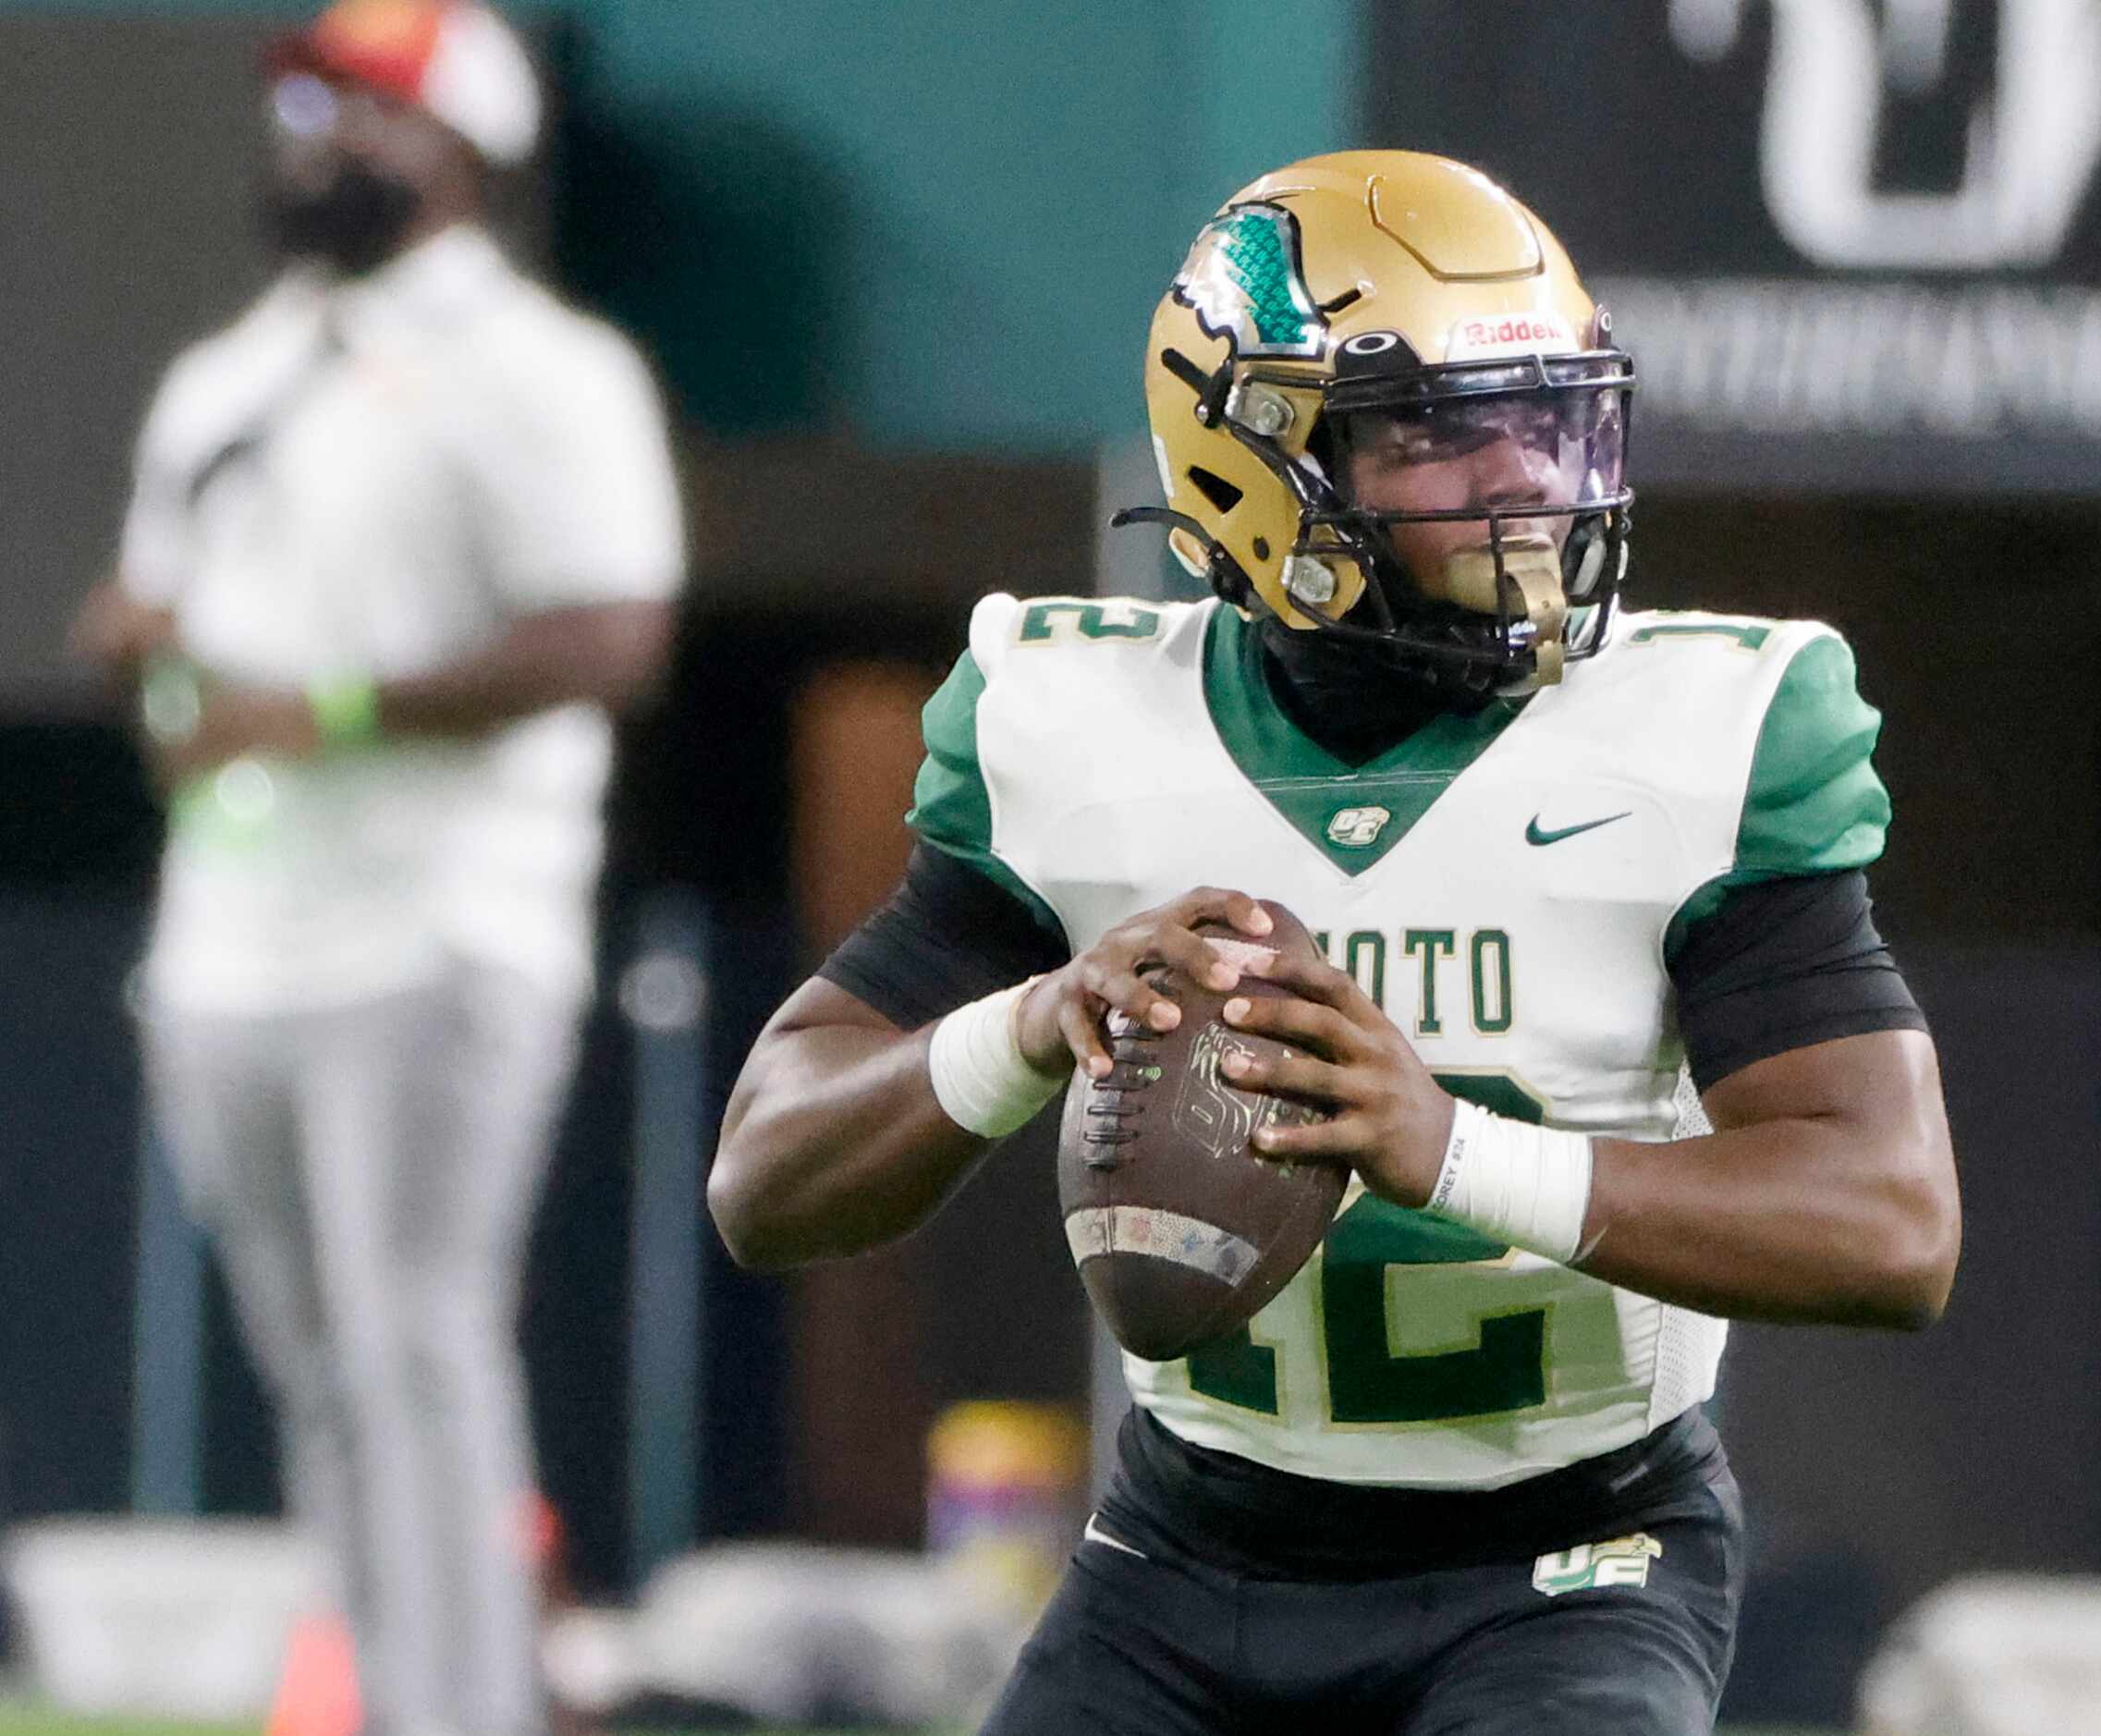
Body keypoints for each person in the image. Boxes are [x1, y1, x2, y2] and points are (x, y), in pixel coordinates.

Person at [710, 150, 1959, 1735]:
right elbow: (765, 1176)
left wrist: (1450, 1147)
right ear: (1253, 462)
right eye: (1441, 429)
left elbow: (1894, 1221)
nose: (1522, 475)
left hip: (1572, 1546)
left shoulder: (1703, 733)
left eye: (1546, 413)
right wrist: (1027, 1023)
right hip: (1188, 1541)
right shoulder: (1076, 725)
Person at [67, 4, 685, 1732]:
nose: (317, 138)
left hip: (436, 927)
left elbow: (611, 631)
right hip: (230, 939)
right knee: (320, 1374)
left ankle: (468, 1710)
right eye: (304, 101)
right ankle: (393, 1690)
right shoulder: (234, 372)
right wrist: (158, 661)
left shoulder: (543, 370)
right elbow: (192, 651)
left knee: (419, 1352)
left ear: (465, 145)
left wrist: (321, 706)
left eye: (364, 108)